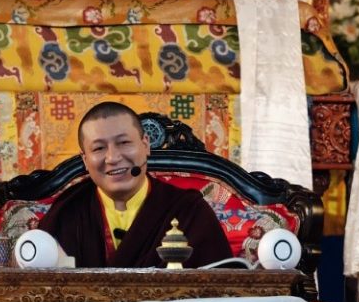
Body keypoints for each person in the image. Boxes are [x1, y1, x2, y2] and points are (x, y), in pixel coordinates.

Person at [36, 102, 234, 268]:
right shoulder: (67, 212)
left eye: (124, 143)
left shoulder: (188, 210)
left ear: (145, 145)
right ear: (85, 160)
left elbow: (221, 290)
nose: (113, 158)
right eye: (98, 148)